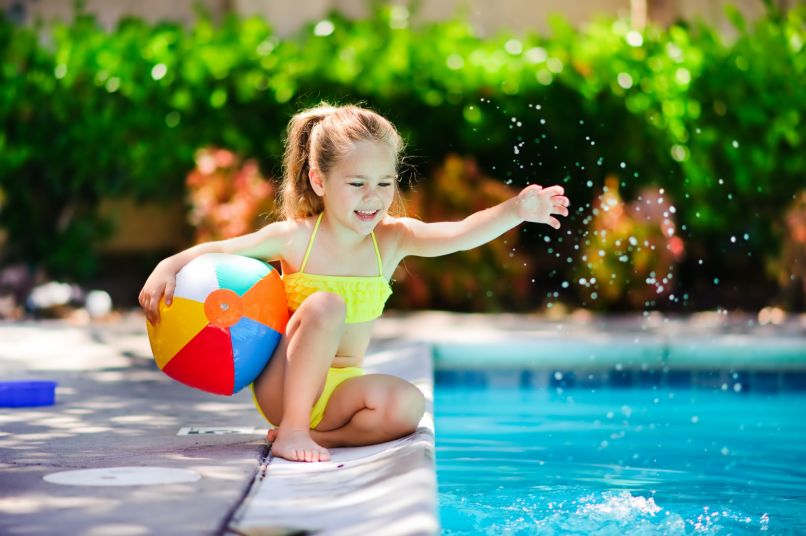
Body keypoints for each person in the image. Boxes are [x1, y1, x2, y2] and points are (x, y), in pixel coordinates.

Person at [139, 103, 570, 463]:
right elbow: (221, 250)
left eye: (384, 183)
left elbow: (458, 234)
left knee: (410, 405)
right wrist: (168, 266)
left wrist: (515, 211)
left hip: (342, 393)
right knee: (326, 306)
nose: (373, 197)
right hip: (284, 387)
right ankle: (291, 430)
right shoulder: (297, 237)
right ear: (319, 180)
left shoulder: (392, 239)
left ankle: (323, 440)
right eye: (357, 183)